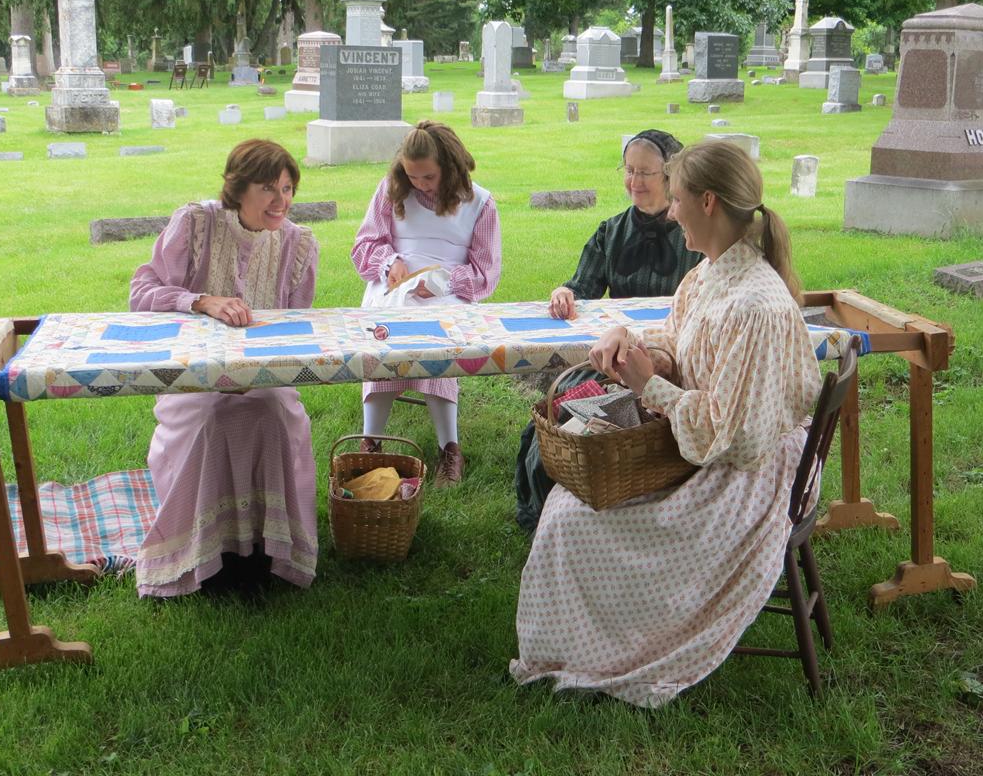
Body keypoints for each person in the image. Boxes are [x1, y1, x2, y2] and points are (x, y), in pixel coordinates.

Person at [510, 140, 823, 707]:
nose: (669, 210)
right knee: (566, 505)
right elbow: (680, 340)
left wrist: (647, 386)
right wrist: (633, 344)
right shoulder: (708, 275)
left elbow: (738, 436)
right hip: (715, 449)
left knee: (574, 523)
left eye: (675, 199)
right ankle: (586, 643)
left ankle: (614, 651)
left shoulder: (753, 304)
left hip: (749, 476)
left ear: (707, 202)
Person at [129, 139, 319, 599]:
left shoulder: (298, 245)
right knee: (213, 419)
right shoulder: (195, 223)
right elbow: (142, 291)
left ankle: (265, 549)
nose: (281, 201)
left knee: (273, 414)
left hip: (264, 380)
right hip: (192, 378)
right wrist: (200, 301)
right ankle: (209, 553)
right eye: (268, 189)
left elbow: (294, 331)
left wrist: (259, 372)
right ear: (237, 189)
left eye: (288, 188)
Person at [514, 129, 701, 532]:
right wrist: (565, 291)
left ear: (671, 177)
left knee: (583, 413)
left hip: (677, 365)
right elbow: (583, 287)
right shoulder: (612, 231)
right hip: (617, 360)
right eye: (629, 170)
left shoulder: (696, 232)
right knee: (558, 412)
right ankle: (549, 514)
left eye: (645, 173)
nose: (634, 181)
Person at [350, 120, 502, 487]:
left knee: (439, 340)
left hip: (448, 289)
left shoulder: (479, 202)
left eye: (428, 177)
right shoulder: (391, 190)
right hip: (395, 287)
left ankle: (449, 447)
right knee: (384, 333)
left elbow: (486, 271)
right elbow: (365, 244)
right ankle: (372, 441)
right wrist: (389, 262)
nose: (420, 184)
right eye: (412, 177)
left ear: (449, 166)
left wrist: (443, 281)